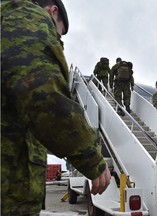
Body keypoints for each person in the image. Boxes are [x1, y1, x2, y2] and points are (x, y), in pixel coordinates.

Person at [1, 0, 111, 215]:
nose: (57, 37)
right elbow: (42, 93)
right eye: (59, 32)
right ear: (53, 11)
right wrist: (90, 157)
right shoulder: (25, 16)